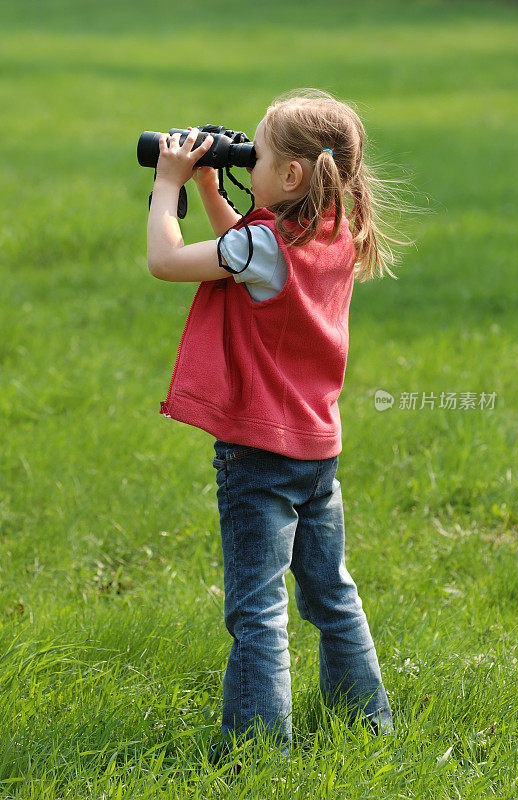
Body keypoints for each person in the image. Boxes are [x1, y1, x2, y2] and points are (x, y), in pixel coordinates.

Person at [146, 88, 410, 764]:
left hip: (256, 457)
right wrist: (212, 187)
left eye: (255, 155)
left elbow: (168, 261)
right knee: (331, 595)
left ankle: (258, 755)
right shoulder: (332, 230)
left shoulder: (265, 244)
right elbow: (248, 248)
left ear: (289, 176)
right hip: (316, 450)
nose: (249, 162)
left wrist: (168, 185)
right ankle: (367, 723)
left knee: (257, 613)